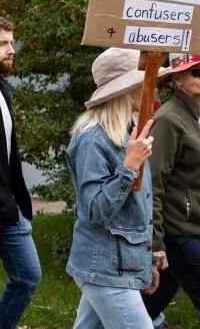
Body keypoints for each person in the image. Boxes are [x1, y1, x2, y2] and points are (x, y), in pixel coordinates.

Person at [65, 47, 168, 328]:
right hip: (103, 267)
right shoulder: (92, 139)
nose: (153, 86)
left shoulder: (127, 135)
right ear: (127, 89)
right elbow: (97, 210)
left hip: (114, 264)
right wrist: (130, 166)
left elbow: (135, 211)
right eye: (146, 80)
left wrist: (144, 258)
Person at [142, 53, 200, 329]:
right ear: (177, 79)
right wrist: (156, 243)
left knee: (149, 305)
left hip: (194, 230)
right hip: (177, 232)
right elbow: (152, 182)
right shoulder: (168, 119)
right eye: (195, 71)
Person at [0, 13, 42, 328]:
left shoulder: (4, 92)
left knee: (28, 276)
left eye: (11, 43)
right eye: (2, 43)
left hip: (8, 207)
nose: (11, 49)